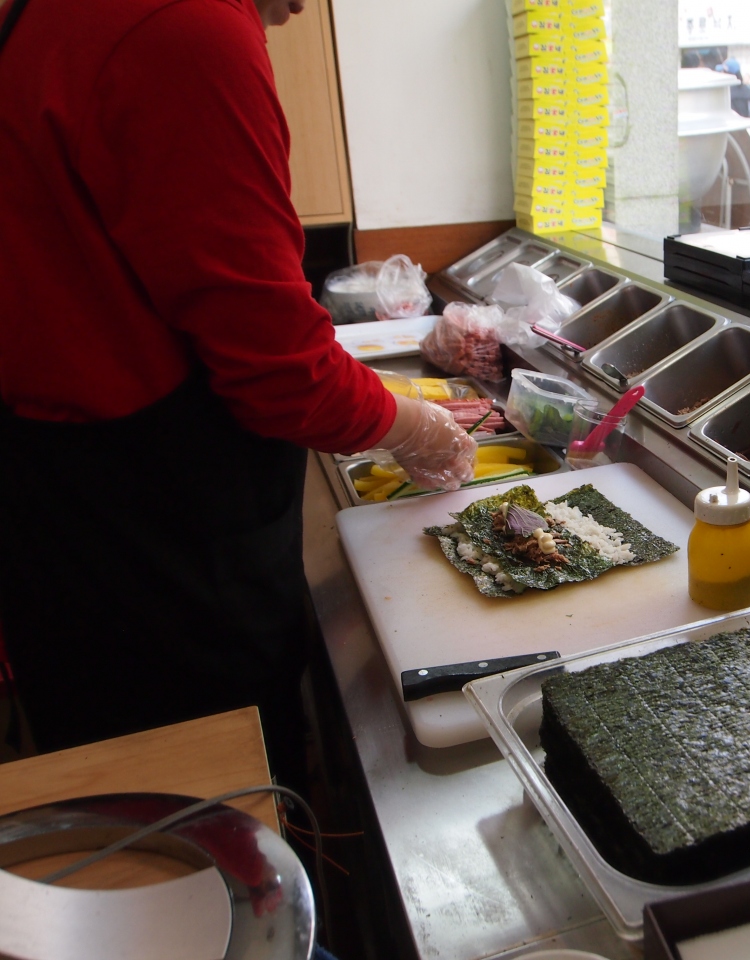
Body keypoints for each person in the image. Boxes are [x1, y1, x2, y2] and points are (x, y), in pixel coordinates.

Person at [0, 0, 476, 788]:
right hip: (155, 557)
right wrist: (412, 425)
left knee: (128, 817)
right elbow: (282, 375)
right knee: (213, 819)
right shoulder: (183, 29)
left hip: (67, 524)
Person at [717, 58, 750, 122]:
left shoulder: (725, 94)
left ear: (727, 74)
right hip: (747, 126)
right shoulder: (748, 93)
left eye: (722, 71)